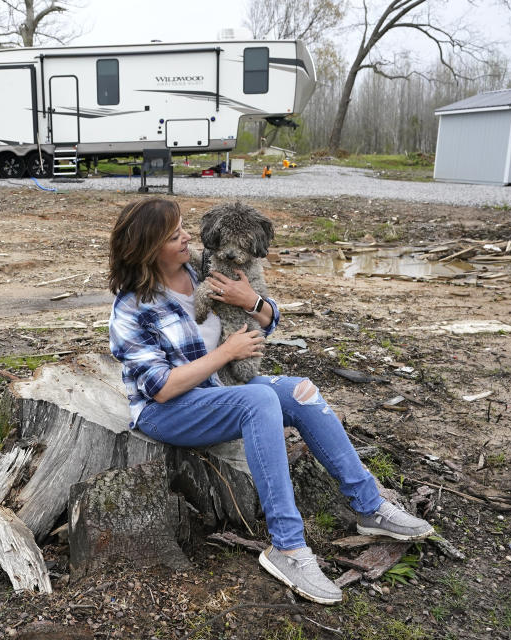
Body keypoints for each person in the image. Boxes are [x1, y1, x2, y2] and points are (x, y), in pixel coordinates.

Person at [107, 197, 433, 605]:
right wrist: (226, 353)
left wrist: (253, 303)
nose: (187, 237)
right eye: (175, 235)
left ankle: (370, 507)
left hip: (217, 390)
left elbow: (268, 320)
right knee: (259, 400)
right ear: (148, 247)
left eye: (184, 228)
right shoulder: (133, 306)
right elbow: (161, 387)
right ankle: (289, 547)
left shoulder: (203, 272)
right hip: (166, 411)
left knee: (302, 390)